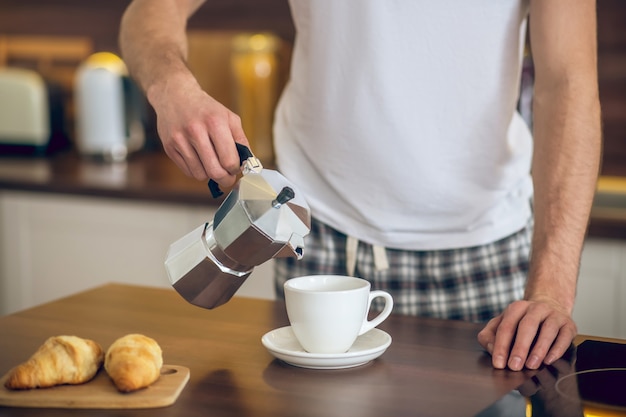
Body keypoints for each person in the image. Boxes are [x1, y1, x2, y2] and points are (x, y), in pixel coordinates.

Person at [119, 0, 602, 372]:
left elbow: (567, 83)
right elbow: (150, 13)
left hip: (488, 256)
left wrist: (551, 293)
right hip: (320, 241)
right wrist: (170, 86)